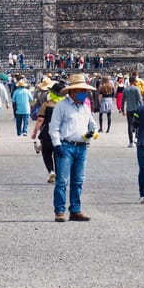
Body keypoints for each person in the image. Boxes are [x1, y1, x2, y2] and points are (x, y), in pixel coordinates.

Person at [48, 73, 97, 222]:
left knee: (78, 180)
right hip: (66, 145)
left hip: (81, 147)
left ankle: (75, 209)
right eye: (80, 91)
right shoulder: (61, 106)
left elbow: (93, 125)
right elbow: (53, 127)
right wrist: (56, 145)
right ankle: (60, 210)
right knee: (62, 180)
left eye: (84, 91)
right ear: (72, 91)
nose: (83, 94)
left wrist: (90, 134)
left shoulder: (85, 107)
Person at [32, 80, 66, 184]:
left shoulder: (46, 105)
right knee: (57, 154)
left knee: (46, 153)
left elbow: (40, 120)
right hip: (60, 133)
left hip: (47, 131)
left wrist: (35, 132)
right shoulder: (65, 106)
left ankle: (51, 171)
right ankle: (58, 173)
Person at [121, 77, 143, 147]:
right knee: (138, 124)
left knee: (130, 125)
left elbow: (122, 101)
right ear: (133, 81)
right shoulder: (137, 89)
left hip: (129, 109)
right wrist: (143, 108)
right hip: (136, 109)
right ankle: (136, 137)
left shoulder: (125, 89)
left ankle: (130, 142)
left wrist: (122, 110)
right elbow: (140, 100)